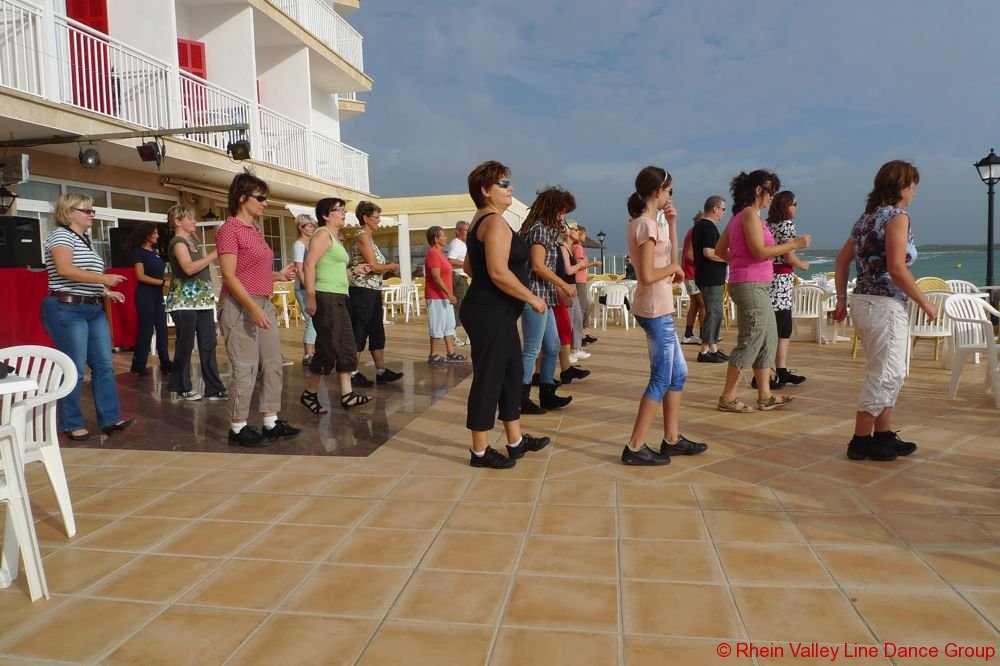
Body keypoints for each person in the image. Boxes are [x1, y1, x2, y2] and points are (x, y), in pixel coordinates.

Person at [832, 160, 929, 461]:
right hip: (884, 305)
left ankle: (883, 434)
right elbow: (897, 268)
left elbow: (841, 261)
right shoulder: (898, 218)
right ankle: (861, 440)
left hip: (864, 302)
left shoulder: (866, 219)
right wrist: (925, 302)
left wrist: (841, 299)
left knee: (890, 369)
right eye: (913, 187)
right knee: (886, 372)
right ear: (901, 188)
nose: (914, 193)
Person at [461, 160, 550, 469]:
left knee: (511, 373)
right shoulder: (494, 223)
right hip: (490, 313)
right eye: (503, 183)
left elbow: (470, 267)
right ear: (485, 190)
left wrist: (496, 287)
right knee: (490, 377)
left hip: (495, 311)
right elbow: (498, 272)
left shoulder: (482, 221)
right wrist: (531, 297)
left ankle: (515, 440)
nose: (511, 188)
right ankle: (480, 452)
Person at [622, 166, 708, 465]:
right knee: (661, 377)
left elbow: (670, 258)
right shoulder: (645, 226)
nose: (670, 196)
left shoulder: (647, 223)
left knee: (678, 374)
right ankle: (635, 446)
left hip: (659, 307)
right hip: (654, 309)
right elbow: (647, 275)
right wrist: (673, 268)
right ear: (658, 191)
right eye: (670, 191)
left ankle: (671, 439)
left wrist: (672, 223)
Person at [216, 171, 301, 447]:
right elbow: (229, 275)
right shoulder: (229, 230)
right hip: (240, 306)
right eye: (261, 198)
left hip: (263, 302)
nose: (265, 203)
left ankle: (270, 422)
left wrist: (278, 275)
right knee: (245, 367)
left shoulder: (254, 229)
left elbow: (251, 271)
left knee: (273, 363)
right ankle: (238, 427)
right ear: (242, 198)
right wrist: (252, 308)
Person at [715, 170, 811, 413]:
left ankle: (765, 395)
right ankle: (728, 397)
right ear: (759, 190)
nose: (772, 198)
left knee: (769, 339)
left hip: (756, 284)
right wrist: (794, 244)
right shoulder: (749, 215)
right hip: (751, 285)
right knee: (751, 339)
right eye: (771, 192)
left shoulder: (740, 217)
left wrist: (737, 261)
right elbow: (759, 251)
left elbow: (719, 250)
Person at [41, 193, 135, 441]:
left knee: (104, 365)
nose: (92, 214)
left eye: (93, 210)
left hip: (92, 308)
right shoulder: (60, 236)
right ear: (69, 213)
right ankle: (71, 423)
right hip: (67, 308)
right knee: (74, 367)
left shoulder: (84, 240)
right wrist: (104, 279)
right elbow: (65, 270)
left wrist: (105, 291)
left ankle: (110, 419)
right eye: (87, 210)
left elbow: (84, 276)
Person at [300, 197, 373, 414]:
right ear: (325, 215)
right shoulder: (322, 234)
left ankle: (347, 394)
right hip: (326, 296)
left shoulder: (335, 238)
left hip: (339, 296)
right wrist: (310, 296)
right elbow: (309, 264)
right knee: (328, 347)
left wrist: (354, 271)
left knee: (346, 345)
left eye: (343, 209)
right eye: (338, 210)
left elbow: (333, 270)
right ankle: (310, 393)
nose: (343, 213)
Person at [519, 187, 576, 414]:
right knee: (532, 348)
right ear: (552, 209)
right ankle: (521, 398)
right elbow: (538, 266)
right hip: (535, 296)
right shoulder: (539, 230)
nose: (562, 217)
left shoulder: (541, 230)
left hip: (545, 297)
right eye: (561, 212)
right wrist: (563, 285)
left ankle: (547, 393)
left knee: (552, 345)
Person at [164, 205, 226, 402]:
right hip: (184, 301)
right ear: (177, 222)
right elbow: (188, 268)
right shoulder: (178, 242)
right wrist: (213, 255)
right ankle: (181, 386)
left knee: (208, 343)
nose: (194, 221)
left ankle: (214, 388)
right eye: (189, 218)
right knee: (186, 344)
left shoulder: (194, 242)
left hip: (202, 300)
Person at [347, 201, 404, 387]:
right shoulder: (362, 236)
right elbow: (373, 266)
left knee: (376, 330)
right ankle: (351, 373)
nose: (379, 220)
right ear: (366, 218)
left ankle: (381, 371)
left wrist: (385, 267)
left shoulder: (369, 238)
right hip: (362, 290)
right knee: (360, 330)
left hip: (372, 289)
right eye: (376, 217)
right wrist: (391, 266)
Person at [759, 191, 810, 390]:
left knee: (779, 327)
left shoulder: (768, 224)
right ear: (787, 206)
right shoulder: (787, 225)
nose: (796, 208)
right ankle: (768, 373)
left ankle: (780, 371)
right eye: (794, 204)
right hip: (781, 283)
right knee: (781, 328)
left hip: (770, 278)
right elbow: (788, 256)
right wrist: (802, 264)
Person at [127, 222, 171, 376]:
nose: (158, 236)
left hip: (157, 295)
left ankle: (165, 362)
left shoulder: (154, 252)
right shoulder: (139, 253)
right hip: (145, 294)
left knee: (162, 328)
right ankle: (138, 364)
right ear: (147, 235)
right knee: (146, 329)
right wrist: (163, 283)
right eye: (155, 233)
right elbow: (140, 276)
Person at [692, 195, 729, 362]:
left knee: (716, 312)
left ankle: (712, 348)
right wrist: (728, 258)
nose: (724, 213)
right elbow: (708, 252)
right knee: (713, 313)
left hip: (708, 276)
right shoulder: (707, 227)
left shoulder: (701, 226)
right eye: (723, 209)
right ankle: (704, 351)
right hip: (710, 276)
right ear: (715, 209)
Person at [424, 225, 464, 362]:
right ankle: (433, 354)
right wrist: (449, 293)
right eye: (443, 235)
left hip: (444, 296)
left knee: (449, 324)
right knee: (437, 324)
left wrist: (448, 294)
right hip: (436, 296)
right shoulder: (433, 254)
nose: (446, 238)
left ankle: (451, 352)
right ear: (436, 239)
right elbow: (436, 277)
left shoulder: (440, 254)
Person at [560, 220, 594, 374]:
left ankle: (574, 349)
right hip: (568, 288)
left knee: (577, 317)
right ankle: (570, 352)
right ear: (567, 231)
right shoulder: (566, 248)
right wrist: (582, 265)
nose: (578, 231)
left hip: (572, 287)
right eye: (575, 229)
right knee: (569, 321)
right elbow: (568, 270)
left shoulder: (569, 248)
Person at [292, 214, 318, 366]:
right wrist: (309, 288)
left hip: (311, 287)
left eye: (313, 226)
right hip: (303, 288)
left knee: (315, 320)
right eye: (309, 226)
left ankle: (313, 351)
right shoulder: (299, 245)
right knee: (310, 320)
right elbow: (299, 269)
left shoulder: (309, 245)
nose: (312, 228)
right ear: (301, 228)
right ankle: (308, 354)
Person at [572, 226, 601, 346]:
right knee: (582, 308)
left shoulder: (574, 247)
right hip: (579, 281)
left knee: (584, 307)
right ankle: (579, 337)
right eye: (584, 234)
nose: (585, 236)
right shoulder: (578, 248)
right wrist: (593, 264)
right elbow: (579, 266)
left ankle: (581, 335)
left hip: (579, 281)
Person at [680, 217, 705, 344]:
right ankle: (703, 335)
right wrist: (703, 265)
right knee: (704, 304)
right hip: (693, 274)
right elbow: (689, 255)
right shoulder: (695, 232)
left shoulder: (690, 231)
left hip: (689, 274)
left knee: (695, 305)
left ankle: (688, 334)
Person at [446, 220, 470, 346]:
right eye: (466, 230)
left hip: (463, 278)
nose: (468, 232)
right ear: (458, 231)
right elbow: (450, 260)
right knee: (459, 307)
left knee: (466, 307)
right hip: (458, 278)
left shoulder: (462, 244)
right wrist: (467, 264)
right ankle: (453, 336)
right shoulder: (456, 244)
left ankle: (468, 335)